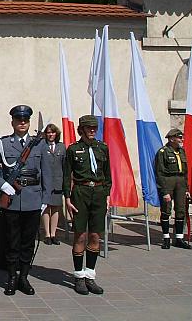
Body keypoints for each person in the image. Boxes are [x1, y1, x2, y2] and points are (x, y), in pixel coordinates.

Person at [0, 105, 49, 296]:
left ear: (28, 123)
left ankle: (24, 278)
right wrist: (3, 185)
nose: (22, 123)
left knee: (28, 242)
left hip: (33, 199)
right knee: (11, 242)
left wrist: (44, 198)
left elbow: (46, 172)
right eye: (19, 120)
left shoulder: (40, 144)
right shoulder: (3, 144)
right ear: (12, 122)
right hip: (11, 200)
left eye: (25, 120)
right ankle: (11, 277)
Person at [63, 115, 111, 296]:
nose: (92, 130)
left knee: (95, 236)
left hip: (98, 193)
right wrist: (67, 198)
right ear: (81, 130)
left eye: (94, 128)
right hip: (80, 193)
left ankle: (90, 275)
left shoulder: (102, 148)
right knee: (80, 235)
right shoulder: (73, 150)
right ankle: (79, 276)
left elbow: (107, 174)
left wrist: (106, 193)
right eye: (89, 128)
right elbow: (67, 175)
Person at [154, 128, 192, 249]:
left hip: (180, 182)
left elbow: (185, 171)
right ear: (171, 139)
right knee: (166, 210)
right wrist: (164, 191)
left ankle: (179, 238)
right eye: (179, 137)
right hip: (168, 181)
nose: (182, 140)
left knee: (180, 210)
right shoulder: (163, 152)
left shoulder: (181, 151)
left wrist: (186, 188)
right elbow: (159, 172)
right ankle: (166, 237)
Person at [41, 123, 66, 245]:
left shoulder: (61, 147)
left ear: (56, 134)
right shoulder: (42, 146)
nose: (50, 135)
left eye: (52, 132)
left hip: (57, 182)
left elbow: (65, 165)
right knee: (46, 208)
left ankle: (53, 234)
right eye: (48, 133)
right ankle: (46, 234)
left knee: (55, 208)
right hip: (45, 182)